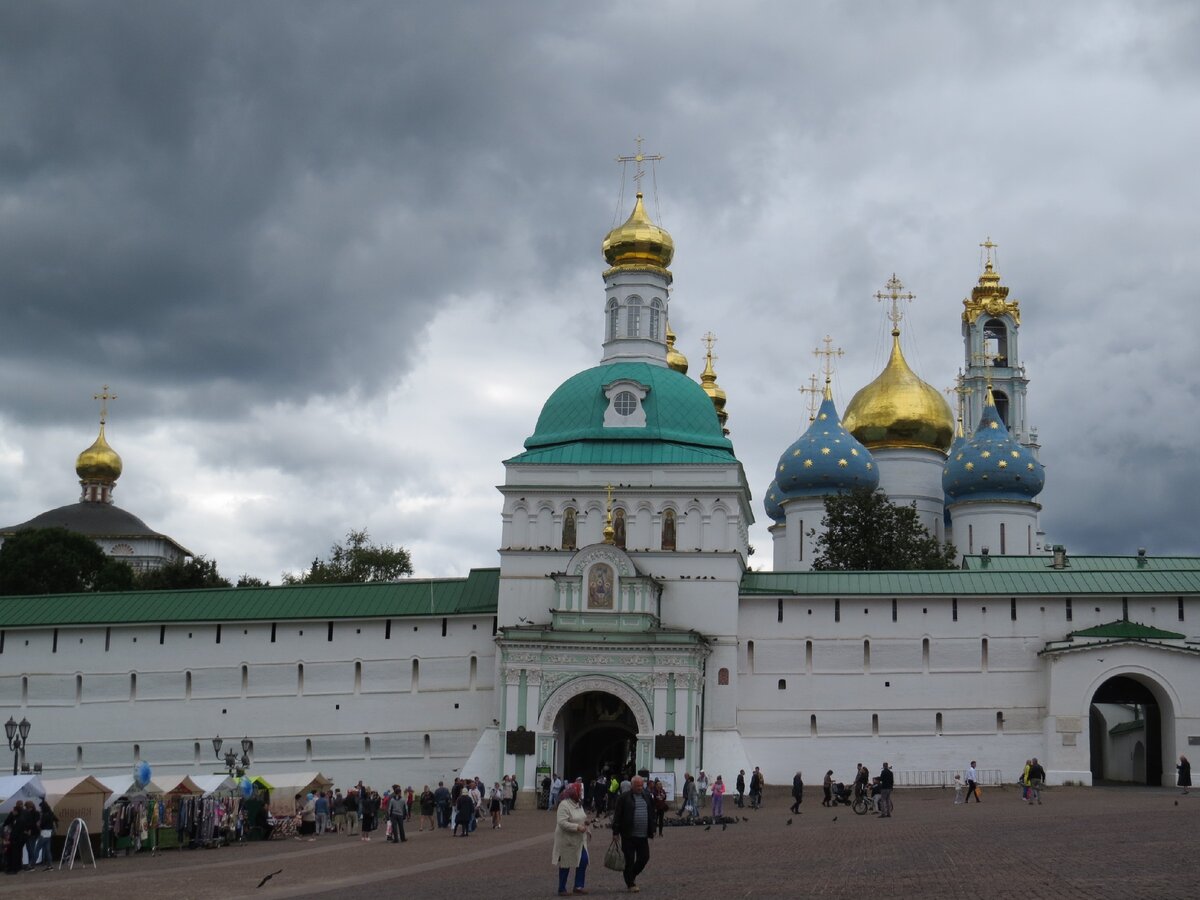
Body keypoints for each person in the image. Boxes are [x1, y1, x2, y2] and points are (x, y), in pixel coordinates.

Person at [611, 774, 654, 893]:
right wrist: (615, 832)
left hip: (642, 835)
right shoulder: (624, 798)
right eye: (637, 785)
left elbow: (651, 812)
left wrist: (653, 828)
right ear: (632, 786)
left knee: (644, 857)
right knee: (629, 860)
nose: (640, 788)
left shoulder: (647, 796)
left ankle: (631, 874)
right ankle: (630, 883)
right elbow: (617, 816)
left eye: (641, 785)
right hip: (628, 835)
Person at [553, 782, 590, 896]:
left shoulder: (579, 803)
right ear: (574, 792)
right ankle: (561, 888)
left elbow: (581, 816)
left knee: (583, 860)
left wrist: (586, 822)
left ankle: (578, 886)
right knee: (566, 863)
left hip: (579, 839)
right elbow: (562, 822)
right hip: (567, 838)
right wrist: (577, 827)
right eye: (580, 791)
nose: (581, 793)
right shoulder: (564, 804)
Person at [32, 800, 56, 870]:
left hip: (43, 833)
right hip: (49, 833)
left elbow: (41, 825)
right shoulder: (51, 813)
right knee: (48, 850)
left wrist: (38, 825)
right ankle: (50, 865)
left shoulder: (44, 815)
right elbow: (56, 819)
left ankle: (32, 865)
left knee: (37, 849)